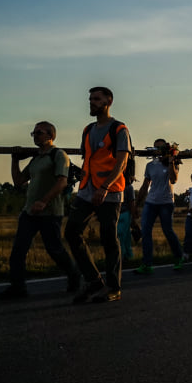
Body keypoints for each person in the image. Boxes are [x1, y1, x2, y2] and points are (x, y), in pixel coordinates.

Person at [0, 121, 80, 300]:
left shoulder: (58, 155)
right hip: (30, 212)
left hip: (50, 212)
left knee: (55, 250)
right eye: (33, 133)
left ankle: (74, 276)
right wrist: (14, 160)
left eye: (39, 132)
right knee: (18, 250)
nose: (35, 136)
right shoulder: (36, 159)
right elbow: (19, 181)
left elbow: (62, 182)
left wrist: (43, 201)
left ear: (50, 135)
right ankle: (18, 288)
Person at [64, 87, 131, 303]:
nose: (91, 102)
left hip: (109, 191)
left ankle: (113, 287)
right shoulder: (88, 129)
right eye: (90, 99)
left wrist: (104, 187)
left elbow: (121, 163)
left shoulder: (119, 129)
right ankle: (93, 280)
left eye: (96, 99)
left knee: (108, 238)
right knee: (72, 232)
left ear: (108, 102)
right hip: (86, 189)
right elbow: (88, 159)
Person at [135, 139, 186, 274]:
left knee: (167, 231)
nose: (157, 150)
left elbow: (173, 179)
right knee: (145, 231)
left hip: (166, 202)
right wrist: (136, 204)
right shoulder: (150, 165)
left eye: (160, 147)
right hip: (150, 202)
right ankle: (147, 264)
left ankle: (179, 257)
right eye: (155, 147)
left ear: (166, 148)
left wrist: (170, 162)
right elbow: (145, 185)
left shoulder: (173, 162)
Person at [117, 160, 138, 265]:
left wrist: (133, 218)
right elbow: (132, 204)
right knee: (125, 236)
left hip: (124, 213)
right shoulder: (128, 187)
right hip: (123, 213)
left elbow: (132, 204)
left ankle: (122, 256)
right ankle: (127, 256)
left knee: (121, 235)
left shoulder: (128, 187)